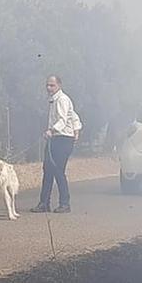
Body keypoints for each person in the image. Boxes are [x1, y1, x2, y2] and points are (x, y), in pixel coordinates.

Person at [30, 75, 82, 214]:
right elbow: (74, 116)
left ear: (59, 85)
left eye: (52, 85)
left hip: (63, 139)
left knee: (58, 171)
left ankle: (65, 203)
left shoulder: (62, 99)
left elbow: (63, 120)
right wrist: (76, 130)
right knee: (47, 170)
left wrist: (51, 130)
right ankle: (44, 203)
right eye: (47, 85)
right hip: (55, 138)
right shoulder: (54, 100)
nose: (49, 88)